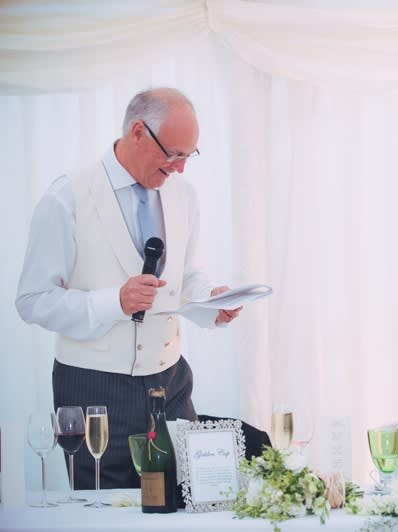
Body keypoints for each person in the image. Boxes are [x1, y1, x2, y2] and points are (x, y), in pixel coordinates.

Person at [16, 88, 242, 489]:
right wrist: (113, 302)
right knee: (102, 509)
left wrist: (211, 302)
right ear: (138, 132)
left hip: (171, 380)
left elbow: (188, 276)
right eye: (173, 154)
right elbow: (32, 300)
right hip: (93, 388)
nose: (180, 168)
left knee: (186, 501)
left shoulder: (184, 195)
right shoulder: (67, 196)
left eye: (188, 156)